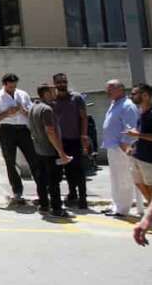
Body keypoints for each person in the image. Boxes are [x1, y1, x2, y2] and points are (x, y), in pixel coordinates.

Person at [0, 73, 37, 204]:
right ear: (4, 85)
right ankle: (17, 191)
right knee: (10, 161)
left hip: (23, 130)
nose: (13, 89)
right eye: (10, 87)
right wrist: (7, 113)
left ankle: (42, 190)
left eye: (14, 86)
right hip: (7, 130)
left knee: (34, 158)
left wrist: (24, 111)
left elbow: (32, 114)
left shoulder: (23, 94)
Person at [28, 82, 74, 218]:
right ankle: (57, 208)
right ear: (47, 93)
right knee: (54, 181)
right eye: (53, 91)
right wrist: (61, 152)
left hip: (38, 150)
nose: (56, 93)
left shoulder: (33, 107)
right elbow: (50, 131)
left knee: (41, 179)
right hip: (49, 151)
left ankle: (44, 205)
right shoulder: (46, 109)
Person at [101, 79, 139, 217]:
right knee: (115, 178)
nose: (107, 91)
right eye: (107, 88)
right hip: (112, 147)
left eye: (110, 88)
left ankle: (123, 209)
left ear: (120, 89)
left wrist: (125, 144)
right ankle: (116, 205)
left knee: (124, 179)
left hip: (122, 147)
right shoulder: (115, 104)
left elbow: (131, 127)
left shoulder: (127, 105)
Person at [51, 73, 89, 209]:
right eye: (59, 82)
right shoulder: (53, 100)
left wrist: (84, 135)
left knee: (79, 170)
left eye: (64, 81)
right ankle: (72, 194)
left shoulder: (76, 98)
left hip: (75, 139)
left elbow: (84, 117)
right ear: (54, 84)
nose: (62, 84)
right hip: (60, 141)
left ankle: (83, 199)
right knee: (67, 170)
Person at [127, 83, 152, 217]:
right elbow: (142, 134)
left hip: (151, 158)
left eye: (134, 94)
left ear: (145, 95)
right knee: (138, 183)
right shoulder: (142, 112)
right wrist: (133, 144)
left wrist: (138, 135)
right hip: (138, 155)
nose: (131, 96)